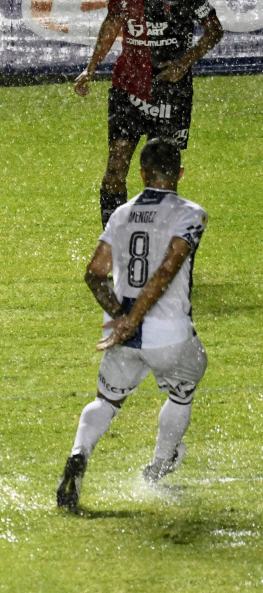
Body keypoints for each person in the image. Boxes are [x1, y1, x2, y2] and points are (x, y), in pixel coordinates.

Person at [56, 139, 208, 511]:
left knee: (106, 401)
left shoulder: (120, 214)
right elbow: (168, 268)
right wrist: (135, 319)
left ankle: (79, 454)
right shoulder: (191, 213)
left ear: (141, 174)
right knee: (185, 384)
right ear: (180, 173)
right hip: (169, 337)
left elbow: (94, 275)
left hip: (121, 339)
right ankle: (160, 463)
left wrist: (121, 318)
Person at [74, 0, 224, 228]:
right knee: (116, 165)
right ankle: (113, 243)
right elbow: (112, 24)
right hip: (128, 86)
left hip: (171, 89)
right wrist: (90, 69)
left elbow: (214, 30)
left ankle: (161, 242)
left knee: (162, 175)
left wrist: (184, 62)